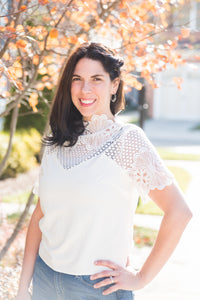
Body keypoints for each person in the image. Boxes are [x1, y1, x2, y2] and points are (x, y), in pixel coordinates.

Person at [15, 42, 192, 300]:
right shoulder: (57, 141)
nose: (85, 89)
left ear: (114, 86)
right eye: (77, 79)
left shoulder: (127, 140)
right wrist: (23, 288)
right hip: (45, 278)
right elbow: (41, 214)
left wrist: (141, 278)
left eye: (96, 79)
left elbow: (179, 212)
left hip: (96, 288)